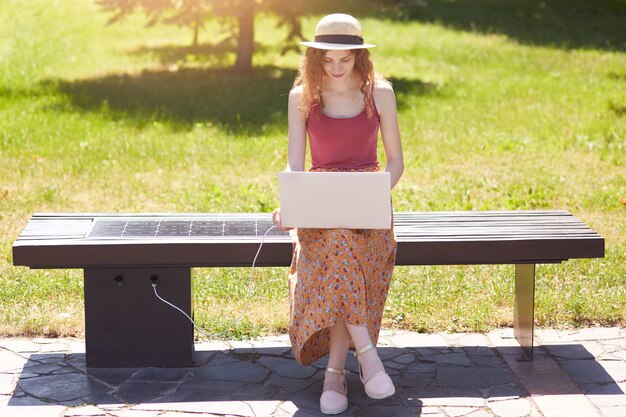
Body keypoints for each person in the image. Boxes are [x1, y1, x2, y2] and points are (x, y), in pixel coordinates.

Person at [272, 13, 404, 415]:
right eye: (327, 60)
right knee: (337, 242)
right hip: (320, 200)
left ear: (359, 57)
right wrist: (291, 204)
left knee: (343, 246)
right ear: (315, 59)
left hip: (368, 201)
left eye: (344, 60)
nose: (335, 67)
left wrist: (376, 192)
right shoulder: (302, 97)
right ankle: (366, 357)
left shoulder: (379, 93)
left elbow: (396, 162)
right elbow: (297, 166)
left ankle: (335, 375)